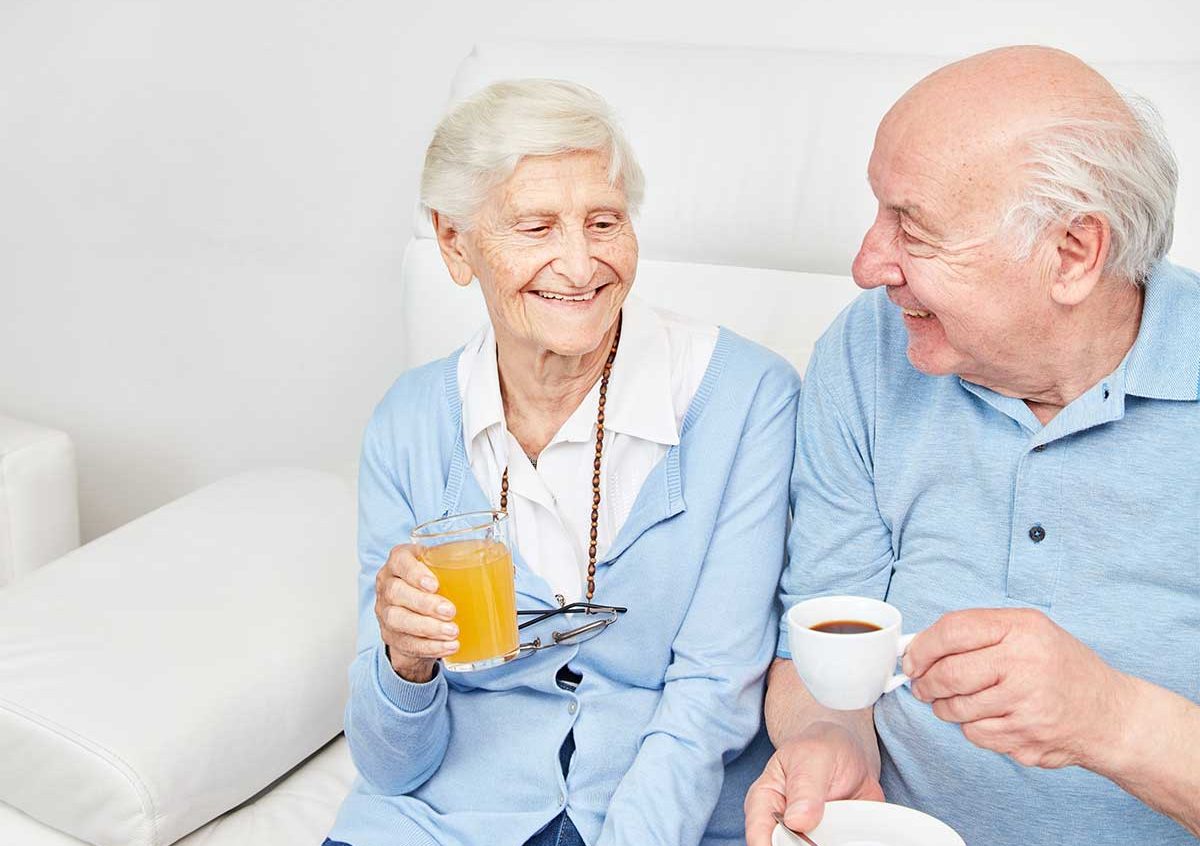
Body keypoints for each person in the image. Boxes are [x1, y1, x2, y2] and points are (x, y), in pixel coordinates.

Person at [324, 79, 800, 846]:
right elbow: (390, 769)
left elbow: (713, 694)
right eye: (536, 227)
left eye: (603, 222)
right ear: (454, 243)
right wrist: (403, 660)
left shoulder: (746, 398)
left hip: (659, 813)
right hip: (440, 820)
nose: (579, 266)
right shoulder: (408, 424)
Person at [746, 46, 1200, 846]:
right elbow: (814, 649)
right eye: (879, 212)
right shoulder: (870, 352)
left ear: (1072, 253)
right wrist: (829, 739)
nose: (865, 265)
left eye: (913, 229)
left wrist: (1114, 722)